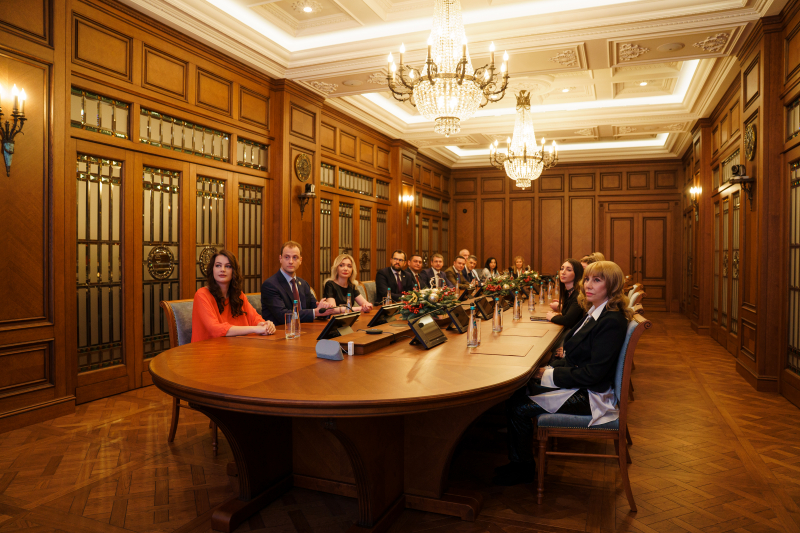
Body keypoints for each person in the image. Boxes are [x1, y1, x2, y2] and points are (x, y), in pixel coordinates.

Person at [493, 261, 633, 486]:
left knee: (518, 405)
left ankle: (522, 468)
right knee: (521, 388)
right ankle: (520, 458)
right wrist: (550, 370)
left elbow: (593, 375)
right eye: (587, 279)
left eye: (597, 280)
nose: (588, 285)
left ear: (613, 286)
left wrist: (547, 375)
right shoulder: (597, 311)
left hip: (591, 396)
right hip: (581, 383)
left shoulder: (611, 321)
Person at [192, 249, 276, 342]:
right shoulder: (202, 295)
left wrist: (265, 325)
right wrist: (255, 329)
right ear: (212, 269)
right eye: (218, 265)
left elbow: (255, 318)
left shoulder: (238, 295)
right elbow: (215, 329)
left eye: (228, 266)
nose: (222, 270)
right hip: (208, 348)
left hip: (237, 346)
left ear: (234, 271)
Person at [261, 241, 334, 324]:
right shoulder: (270, 285)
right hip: (281, 330)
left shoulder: (303, 284)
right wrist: (316, 312)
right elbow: (283, 316)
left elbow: (315, 308)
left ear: (300, 260)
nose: (291, 261)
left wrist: (324, 308)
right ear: (280, 259)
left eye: (295, 257)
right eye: (287, 257)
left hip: (305, 329)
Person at [546, 259, 585, 331]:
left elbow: (567, 320)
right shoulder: (567, 292)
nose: (563, 272)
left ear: (577, 273)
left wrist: (552, 317)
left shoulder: (578, 295)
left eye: (569, 270)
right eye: (562, 269)